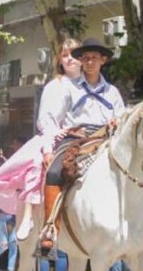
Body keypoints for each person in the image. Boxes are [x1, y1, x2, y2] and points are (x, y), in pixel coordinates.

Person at [0, 38, 82, 241]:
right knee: (37, 163)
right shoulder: (54, 86)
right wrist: (56, 134)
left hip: (87, 137)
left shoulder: (90, 85)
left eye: (74, 54)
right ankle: (29, 214)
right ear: (59, 59)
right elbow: (45, 118)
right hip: (57, 136)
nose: (69, 59)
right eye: (65, 55)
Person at [40, 37, 125, 253]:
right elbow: (50, 118)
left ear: (102, 60)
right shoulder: (69, 88)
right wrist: (49, 148)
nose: (89, 63)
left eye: (94, 58)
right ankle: (50, 228)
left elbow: (123, 118)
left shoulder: (112, 92)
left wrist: (118, 122)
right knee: (54, 172)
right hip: (76, 139)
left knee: (137, 169)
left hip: (106, 139)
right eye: (85, 58)